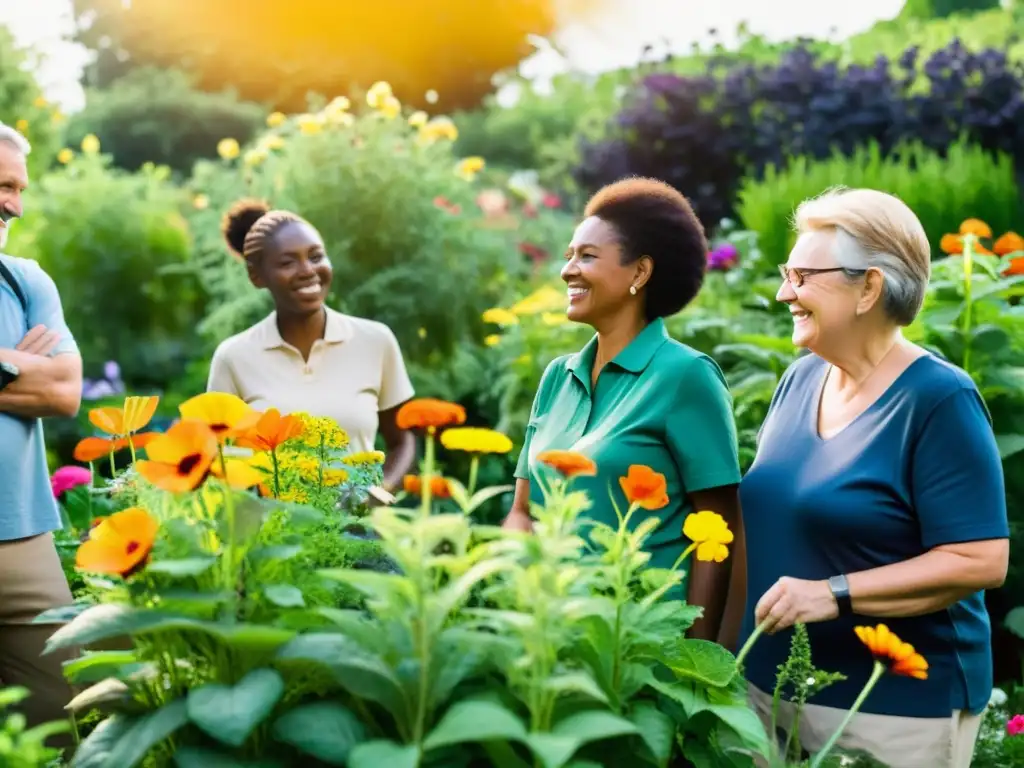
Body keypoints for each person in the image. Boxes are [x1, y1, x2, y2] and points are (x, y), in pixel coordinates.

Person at [738, 188, 1009, 767]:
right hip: (767, 689)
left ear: (869, 288)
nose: (786, 291)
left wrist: (834, 594)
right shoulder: (801, 378)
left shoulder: (939, 399)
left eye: (804, 276)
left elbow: (979, 560)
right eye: (789, 273)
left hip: (890, 710)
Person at [502, 177, 744, 642]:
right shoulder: (558, 377)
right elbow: (522, 509)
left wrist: (694, 664)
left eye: (587, 256)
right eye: (570, 254)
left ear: (640, 273)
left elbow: (718, 535)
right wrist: (520, 585)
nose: (567, 269)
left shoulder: (686, 377)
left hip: (642, 644)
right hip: (551, 637)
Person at [208, 200, 416, 493]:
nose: (308, 270)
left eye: (316, 256)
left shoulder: (375, 341)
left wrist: (378, 495)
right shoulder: (234, 357)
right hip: (272, 533)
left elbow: (403, 439)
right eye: (287, 262)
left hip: (360, 531)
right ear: (257, 276)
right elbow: (222, 456)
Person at [0, 123, 81, 736]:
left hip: (20, 535)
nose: (14, 205)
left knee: (68, 709)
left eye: (18, 189)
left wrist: (34, 373)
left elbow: (62, 389)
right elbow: (38, 377)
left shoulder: (26, 279)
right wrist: (16, 362)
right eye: (2, 186)